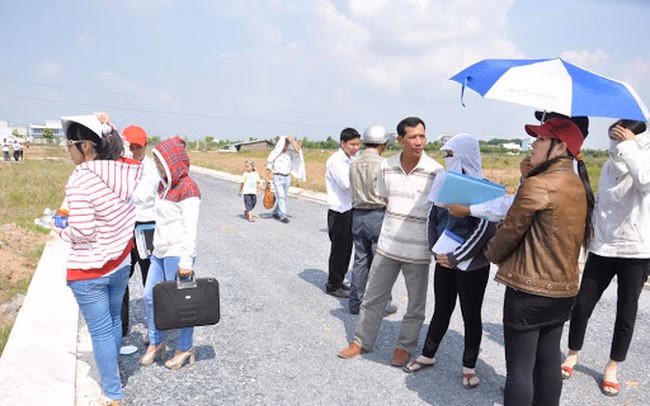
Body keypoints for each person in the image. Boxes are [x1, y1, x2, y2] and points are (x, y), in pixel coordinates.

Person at [485, 117, 594, 406]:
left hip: (529, 290)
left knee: (520, 368)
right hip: (563, 290)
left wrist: (490, 253)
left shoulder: (540, 184)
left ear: (560, 147)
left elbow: (508, 234)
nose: (533, 144)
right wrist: (527, 176)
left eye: (541, 139)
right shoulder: (578, 183)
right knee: (548, 359)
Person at [51, 113, 142, 405]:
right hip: (120, 262)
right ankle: (113, 372)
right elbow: (122, 145)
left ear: (87, 147)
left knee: (101, 331)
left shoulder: (81, 179)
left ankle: (112, 393)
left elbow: (82, 230)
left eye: (71, 144)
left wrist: (59, 229)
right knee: (113, 320)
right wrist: (108, 125)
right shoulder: (123, 169)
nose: (69, 150)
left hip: (91, 270)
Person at [337, 117, 443, 367]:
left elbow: (439, 210)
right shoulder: (386, 167)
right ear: (400, 140)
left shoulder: (436, 171)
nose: (419, 142)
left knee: (415, 304)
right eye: (413, 137)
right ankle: (361, 342)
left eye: (422, 136)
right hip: (387, 246)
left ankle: (404, 347)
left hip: (418, 250)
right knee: (373, 297)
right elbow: (384, 197)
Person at [561, 119, 649, 397]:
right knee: (582, 304)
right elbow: (602, 203)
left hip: (637, 250)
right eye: (613, 136)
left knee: (626, 311)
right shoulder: (611, 166)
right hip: (604, 247)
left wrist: (631, 147)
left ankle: (613, 366)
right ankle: (573, 353)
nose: (616, 142)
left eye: (621, 136)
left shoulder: (644, 160)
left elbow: (645, 182)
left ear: (635, 137)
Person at [404, 133, 496, 390]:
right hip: (443, 261)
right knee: (441, 309)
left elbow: (484, 228)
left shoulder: (483, 188)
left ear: (467, 155)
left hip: (472, 266)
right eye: (446, 155)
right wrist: (435, 251)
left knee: (471, 315)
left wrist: (458, 257)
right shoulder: (443, 182)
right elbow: (432, 216)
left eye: (452, 155)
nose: (448, 160)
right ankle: (428, 354)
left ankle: (469, 366)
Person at [141, 136, 201, 370]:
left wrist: (186, 261)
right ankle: (156, 342)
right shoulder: (162, 186)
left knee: (182, 305)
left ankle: (185, 348)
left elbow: (190, 228)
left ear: (172, 161)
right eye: (156, 162)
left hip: (177, 253)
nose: (158, 166)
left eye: (161, 162)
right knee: (150, 296)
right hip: (159, 252)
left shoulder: (188, 187)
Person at [347, 125, 397, 316]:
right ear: (383, 143)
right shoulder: (384, 164)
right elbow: (389, 193)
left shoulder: (354, 163)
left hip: (358, 214)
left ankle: (355, 303)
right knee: (380, 264)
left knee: (360, 260)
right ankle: (382, 305)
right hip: (378, 214)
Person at [120, 125, 160, 340]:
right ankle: (121, 327)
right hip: (124, 227)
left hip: (147, 227)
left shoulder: (153, 169)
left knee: (150, 276)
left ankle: (155, 327)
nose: (134, 151)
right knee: (121, 275)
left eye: (137, 146)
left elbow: (156, 199)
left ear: (145, 146)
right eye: (130, 147)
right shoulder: (117, 167)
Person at [324, 128, 361, 297]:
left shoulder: (352, 159)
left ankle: (339, 279)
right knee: (339, 250)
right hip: (339, 210)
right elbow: (346, 184)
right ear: (342, 143)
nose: (355, 148)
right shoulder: (336, 161)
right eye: (352, 144)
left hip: (350, 208)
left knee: (347, 249)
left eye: (358, 144)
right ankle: (333, 285)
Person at [266, 135, 306, 223]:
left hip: (287, 177)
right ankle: (283, 215)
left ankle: (276, 212)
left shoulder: (289, 152)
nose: (286, 145)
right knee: (281, 196)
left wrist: (291, 140)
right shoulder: (275, 153)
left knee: (283, 197)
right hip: (277, 177)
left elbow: (298, 150)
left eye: (287, 143)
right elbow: (269, 164)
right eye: (285, 143)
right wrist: (267, 178)